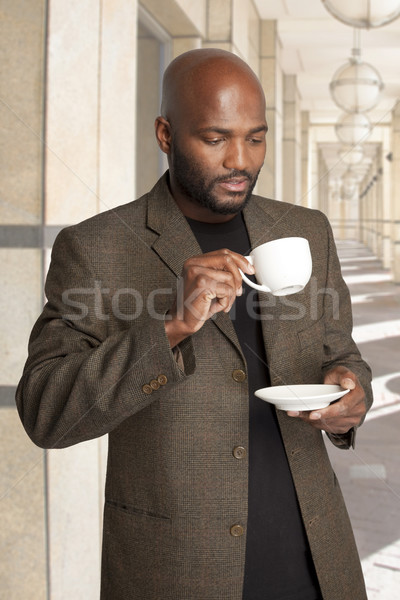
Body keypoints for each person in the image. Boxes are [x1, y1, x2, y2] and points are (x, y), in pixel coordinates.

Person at [16, 48, 372, 600]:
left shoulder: (305, 230)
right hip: (176, 571)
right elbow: (47, 413)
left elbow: (340, 353)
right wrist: (171, 327)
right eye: (215, 139)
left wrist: (351, 397)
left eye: (255, 137)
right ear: (165, 134)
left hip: (315, 561)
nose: (241, 160)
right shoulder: (96, 249)